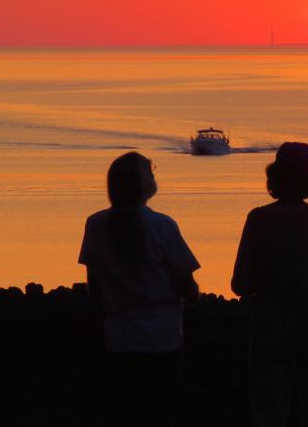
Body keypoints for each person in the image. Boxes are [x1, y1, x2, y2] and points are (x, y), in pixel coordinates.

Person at [231, 142, 308, 427]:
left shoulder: (258, 219)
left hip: (270, 334)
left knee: (269, 416)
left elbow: (240, 283)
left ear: (273, 176)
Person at [78, 151, 200, 427]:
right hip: (162, 339)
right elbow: (187, 286)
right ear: (143, 184)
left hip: (119, 339)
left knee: (125, 412)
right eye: (151, 171)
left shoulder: (95, 223)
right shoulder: (162, 225)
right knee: (161, 410)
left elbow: (94, 288)